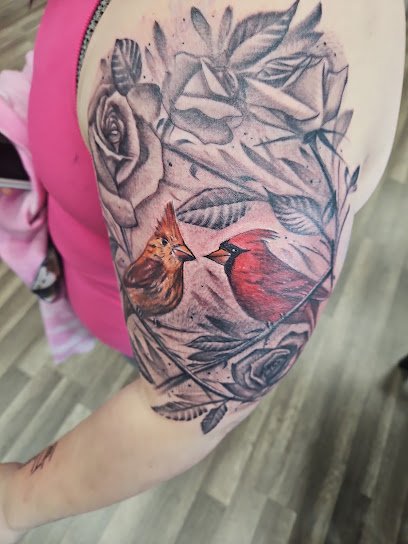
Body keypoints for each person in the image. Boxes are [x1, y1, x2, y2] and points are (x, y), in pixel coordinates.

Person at [0, 0, 405, 541]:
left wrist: (15, 501)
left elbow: (187, 409)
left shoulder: (257, 76)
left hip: (140, 331)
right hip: (89, 278)